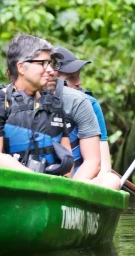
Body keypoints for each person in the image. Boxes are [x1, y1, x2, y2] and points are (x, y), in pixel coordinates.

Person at [0, 33, 115, 187]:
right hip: (9, 186)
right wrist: (36, 181)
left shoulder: (53, 103)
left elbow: (66, 158)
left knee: (112, 181)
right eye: (42, 63)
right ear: (21, 67)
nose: (50, 70)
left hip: (49, 188)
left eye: (49, 63)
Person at [51, 46, 121, 190]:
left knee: (111, 180)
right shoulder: (32, 98)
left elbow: (104, 166)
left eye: (78, 75)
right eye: (71, 78)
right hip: (48, 176)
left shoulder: (89, 103)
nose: (79, 82)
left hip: (82, 181)